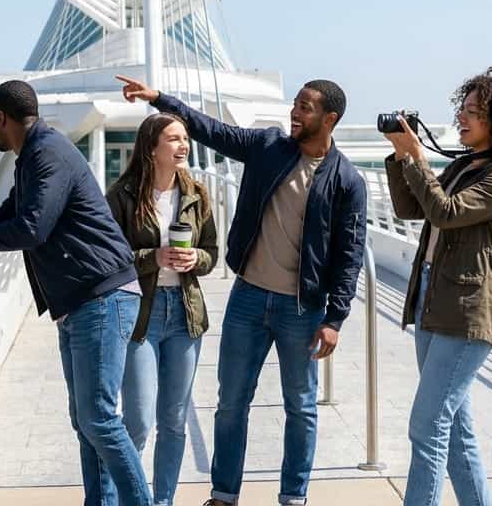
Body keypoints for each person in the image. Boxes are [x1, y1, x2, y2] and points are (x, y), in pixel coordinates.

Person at [117, 75, 367, 506]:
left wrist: (335, 318)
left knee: (301, 407)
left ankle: (293, 496)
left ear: (330, 119)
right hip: (248, 298)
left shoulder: (346, 180)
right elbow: (211, 129)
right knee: (231, 402)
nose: (294, 111)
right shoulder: (268, 147)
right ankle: (224, 494)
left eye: (305, 107)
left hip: (302, 308)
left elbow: (350, 253)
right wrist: (160, 99)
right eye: (295, 103)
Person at [0, 80, 152, 506]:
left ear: (0, 117)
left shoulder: (47, 152)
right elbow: (10, 211)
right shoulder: (33, 155)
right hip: (78, 302)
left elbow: (31, 228)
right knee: (86, 421)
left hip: (101, 296)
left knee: (100, 419)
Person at [382, 67, 492, 506]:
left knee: (426, 425)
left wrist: (417, 158)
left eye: (473, 111)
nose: (462, 116)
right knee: (454, 429)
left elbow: (446, 213)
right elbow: (409, 207)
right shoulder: (462, 166)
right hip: (432, 305)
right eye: (462, 108)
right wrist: (403, 158)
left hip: (468, 310)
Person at [106, 113, 219, 506]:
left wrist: (195, 261)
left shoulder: (197, 195)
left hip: (185, 316)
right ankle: (128, 499)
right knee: (137, 420)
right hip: (139, 315)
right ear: (152, 148)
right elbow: (111, 259)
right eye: (173, 139)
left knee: (173, 420)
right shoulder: (122, 196)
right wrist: (154, 257)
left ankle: (163, 501)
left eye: (185, 138)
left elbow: (212, 254)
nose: (183, 145)